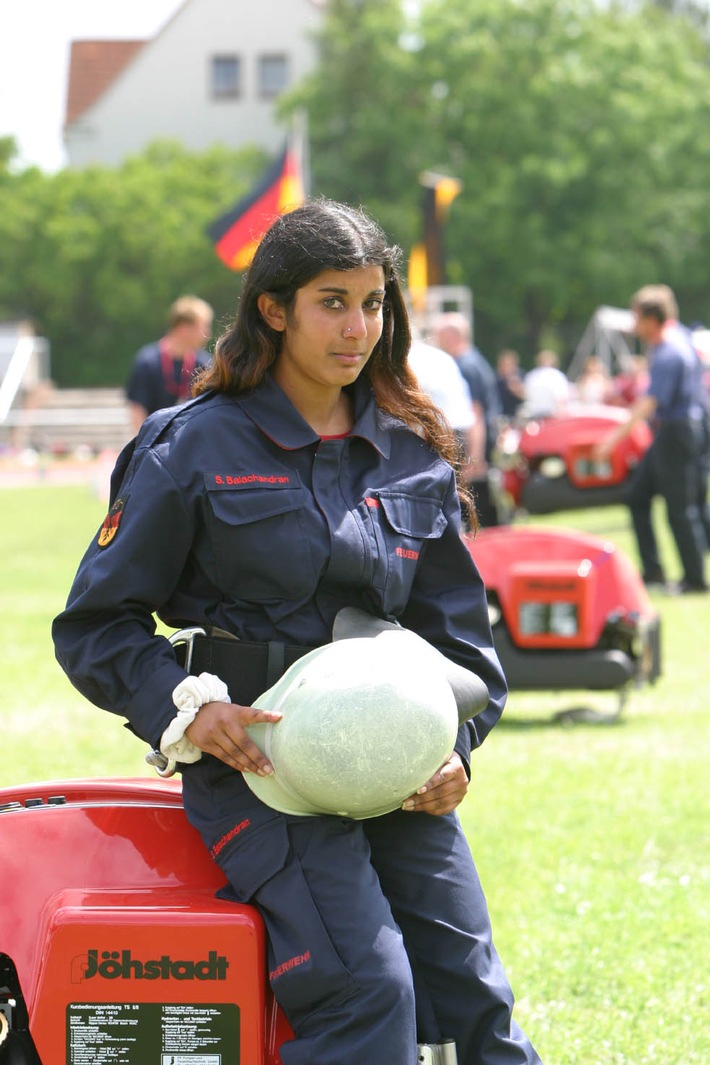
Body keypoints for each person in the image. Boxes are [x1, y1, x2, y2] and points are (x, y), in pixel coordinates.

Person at [52, 199, 544, 1065]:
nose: (358, 328)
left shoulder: (412, 451)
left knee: (476, 1003)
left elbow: (463, 647)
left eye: (373, 303)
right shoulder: (188, 447)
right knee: (368, 994)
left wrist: (456, 748)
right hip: (260, 772)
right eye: (332, 301)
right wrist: (188, 708)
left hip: (398, 768)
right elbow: (95, 625)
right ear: (273, 309)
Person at [594, 284, 707, 593]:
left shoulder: (669, 353)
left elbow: (648, 403)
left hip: (676, 433)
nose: (634, 325)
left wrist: (611, 441)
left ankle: (695, 580)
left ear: (652, 319)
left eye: (637, 318)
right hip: (674, 433)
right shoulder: (676, 339)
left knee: (680, 510)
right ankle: (654, 573)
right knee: (637, 496)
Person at [432, 312, 502, 526]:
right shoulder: (476, 359)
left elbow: (475, 411)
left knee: (477, 513)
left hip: (475, 445)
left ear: (452, 336)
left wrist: (475, 456)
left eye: (439, 335)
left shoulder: (465, 366)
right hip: (483, 441)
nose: (435, 341)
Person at [125, 294, 214, 433]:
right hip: (154, 445)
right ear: (184, 328)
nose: (208, 334)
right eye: (203, 327)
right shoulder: (147, 362)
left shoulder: (205, 365)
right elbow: (138, 410)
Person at [522, 349, 571, 419]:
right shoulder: (557, 375)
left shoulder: (531, 375)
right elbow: (562, 397)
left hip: (533, 412)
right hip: (552, 412)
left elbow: (526, 394)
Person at [496, 348, 526, 422]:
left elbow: (525, 396)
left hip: (517, 414)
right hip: (501, 414)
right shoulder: (497, 379)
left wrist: (515, 388)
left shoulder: (520, 375)